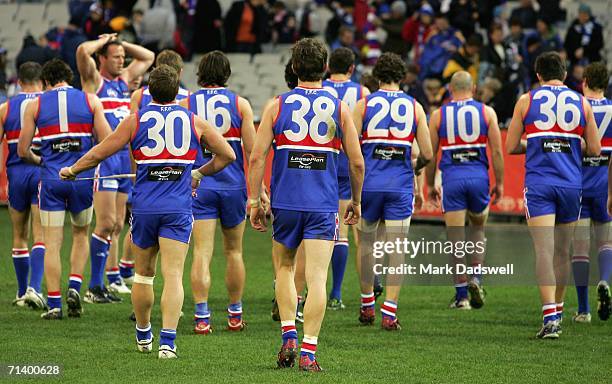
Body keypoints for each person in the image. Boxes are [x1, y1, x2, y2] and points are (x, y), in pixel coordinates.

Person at [59, 65, 235, 358]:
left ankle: (143, 335)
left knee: (143, 275)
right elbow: (227, 155)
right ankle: (168, 343)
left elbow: (101, 151)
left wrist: (73, 169)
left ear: (149, 90)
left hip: (144, 208)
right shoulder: (195, 121)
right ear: (177, 88)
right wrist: (199, 174)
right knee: (174, 275)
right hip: (178, 209)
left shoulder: (134, 120)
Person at [248, 38, 364, 371]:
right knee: (316, 277)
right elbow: (356, 163)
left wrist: (255, 200)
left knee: (284, 269)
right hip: (323, 204)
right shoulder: (339, 107)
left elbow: (257, 157)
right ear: (325, 68)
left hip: (286, 202)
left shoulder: (276, 105)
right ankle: (310, 352)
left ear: (295, 68)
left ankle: (288, 336)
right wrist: (355, 200)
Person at [506, 52, 600, 339]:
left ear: (538, 75)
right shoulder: (581, 102)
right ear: (565, 73)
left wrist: (536, 142)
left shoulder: (526, 100)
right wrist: (574, 143)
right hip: (571, 185)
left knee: (544, 252)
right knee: (562, 252)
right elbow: (594, 150)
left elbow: (510, 146)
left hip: (540, 185)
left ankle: (550, 318)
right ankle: (557, 310)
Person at [18, 58, 112, 320]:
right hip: (81, 180)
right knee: (81, 235)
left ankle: (56, 304)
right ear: (69, 79)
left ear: (46, 82)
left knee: (52, 243)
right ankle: (74, 286)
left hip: (51, 181)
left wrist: (41, 160)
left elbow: (22, 150)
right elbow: (106, 141)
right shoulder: (91, 100)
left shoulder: (35, 105)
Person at [352, 52, 432, 330]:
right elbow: (429, 154)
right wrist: (413, 165)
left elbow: (351, 149)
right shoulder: (415, 107)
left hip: (369, 185)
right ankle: (389, 311)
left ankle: (366, 305)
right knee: (396, 248)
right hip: (399, 185)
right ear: (402, 77)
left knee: (366, 244)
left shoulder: (363, 105)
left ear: (376, 77)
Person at [179, 50, 257, 334]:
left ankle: (202, 317)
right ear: (227, 74)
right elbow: (252, 152)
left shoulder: (186, 104)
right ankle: (235, 315)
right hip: (233, 185)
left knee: (201, 252)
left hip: (200, 185)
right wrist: (259, 190)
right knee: (234, 251)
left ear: (200, 74)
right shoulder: (241, 104)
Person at [76, 34, 154, 303]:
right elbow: (81, 51)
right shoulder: (94, 82)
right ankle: (94, 286)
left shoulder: (123, 83)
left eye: (123, 57)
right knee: (106, 222)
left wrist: (121, 43)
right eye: (116, 56)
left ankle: (108, 279)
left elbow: (148, 57)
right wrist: (104, 40)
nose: (122, 60)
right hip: (105, 160)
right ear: (102, 58)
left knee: (118, 224)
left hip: (124, 159)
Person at [425, 71, 504, 309]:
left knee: (456, 239)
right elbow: (498, 152)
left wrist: (429, 184)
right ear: (474, 87)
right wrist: (499, 183)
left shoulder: (439, 115)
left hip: (453, 179)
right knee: (478, 229)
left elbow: (430, 156)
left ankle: (461, 296)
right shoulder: (487, 112)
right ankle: (476, 278)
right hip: (478, 177)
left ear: (450, 88)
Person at [322, 47, 370, 310]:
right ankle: (338, 293)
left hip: (323, 163)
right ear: (352, 68)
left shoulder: (321, 89)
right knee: (349, 231)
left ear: (329, 67)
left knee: (320, 228)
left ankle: (308, 291)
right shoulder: (363, 94)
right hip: (349, 163)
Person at [0, 62, 46, 309]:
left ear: (18, 81)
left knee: (19, 234)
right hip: (41, 171)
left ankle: (20, 293)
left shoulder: (5, 108)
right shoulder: (45, 102)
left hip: (16, 173)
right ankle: (35, 288)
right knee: (41, 233)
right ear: (42, 80)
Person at [571, 62, 612, 323]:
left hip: (578, 185)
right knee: (606, 242)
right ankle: (605, 281)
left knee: (580, 250)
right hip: (603, 184)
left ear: (584, 81)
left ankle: (584, 310)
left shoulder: (576, 107)